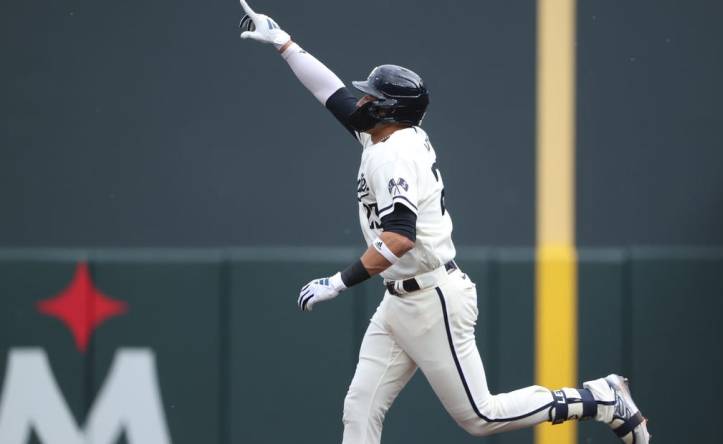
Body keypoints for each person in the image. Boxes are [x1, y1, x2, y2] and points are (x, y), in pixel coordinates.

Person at [238, 2, 650, 443]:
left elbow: (398, 237)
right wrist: (284, 43)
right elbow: (331, 93)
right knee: (359, 410)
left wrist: (338, 282)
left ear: (387, 110)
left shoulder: (393, 152)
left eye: (372, 97)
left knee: (481, 417)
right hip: (399, 299)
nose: (362, 100)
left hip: (432, 298)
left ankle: (599, 399)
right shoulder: (389, 133)